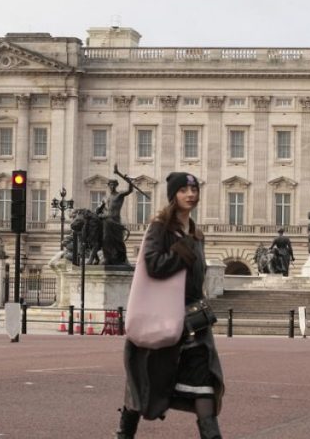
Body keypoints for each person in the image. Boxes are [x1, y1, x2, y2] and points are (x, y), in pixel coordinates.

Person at [117, 172, 225, 439]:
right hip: (161, 317)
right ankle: (123, 435)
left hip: (192, 322)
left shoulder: (195, 232)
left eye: (194, 189)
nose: (190, 194)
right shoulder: (160, 228)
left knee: (205, 384)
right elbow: (153, 264)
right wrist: (181, 251)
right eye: (184, 190)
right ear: (173, 195)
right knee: (143, 385)